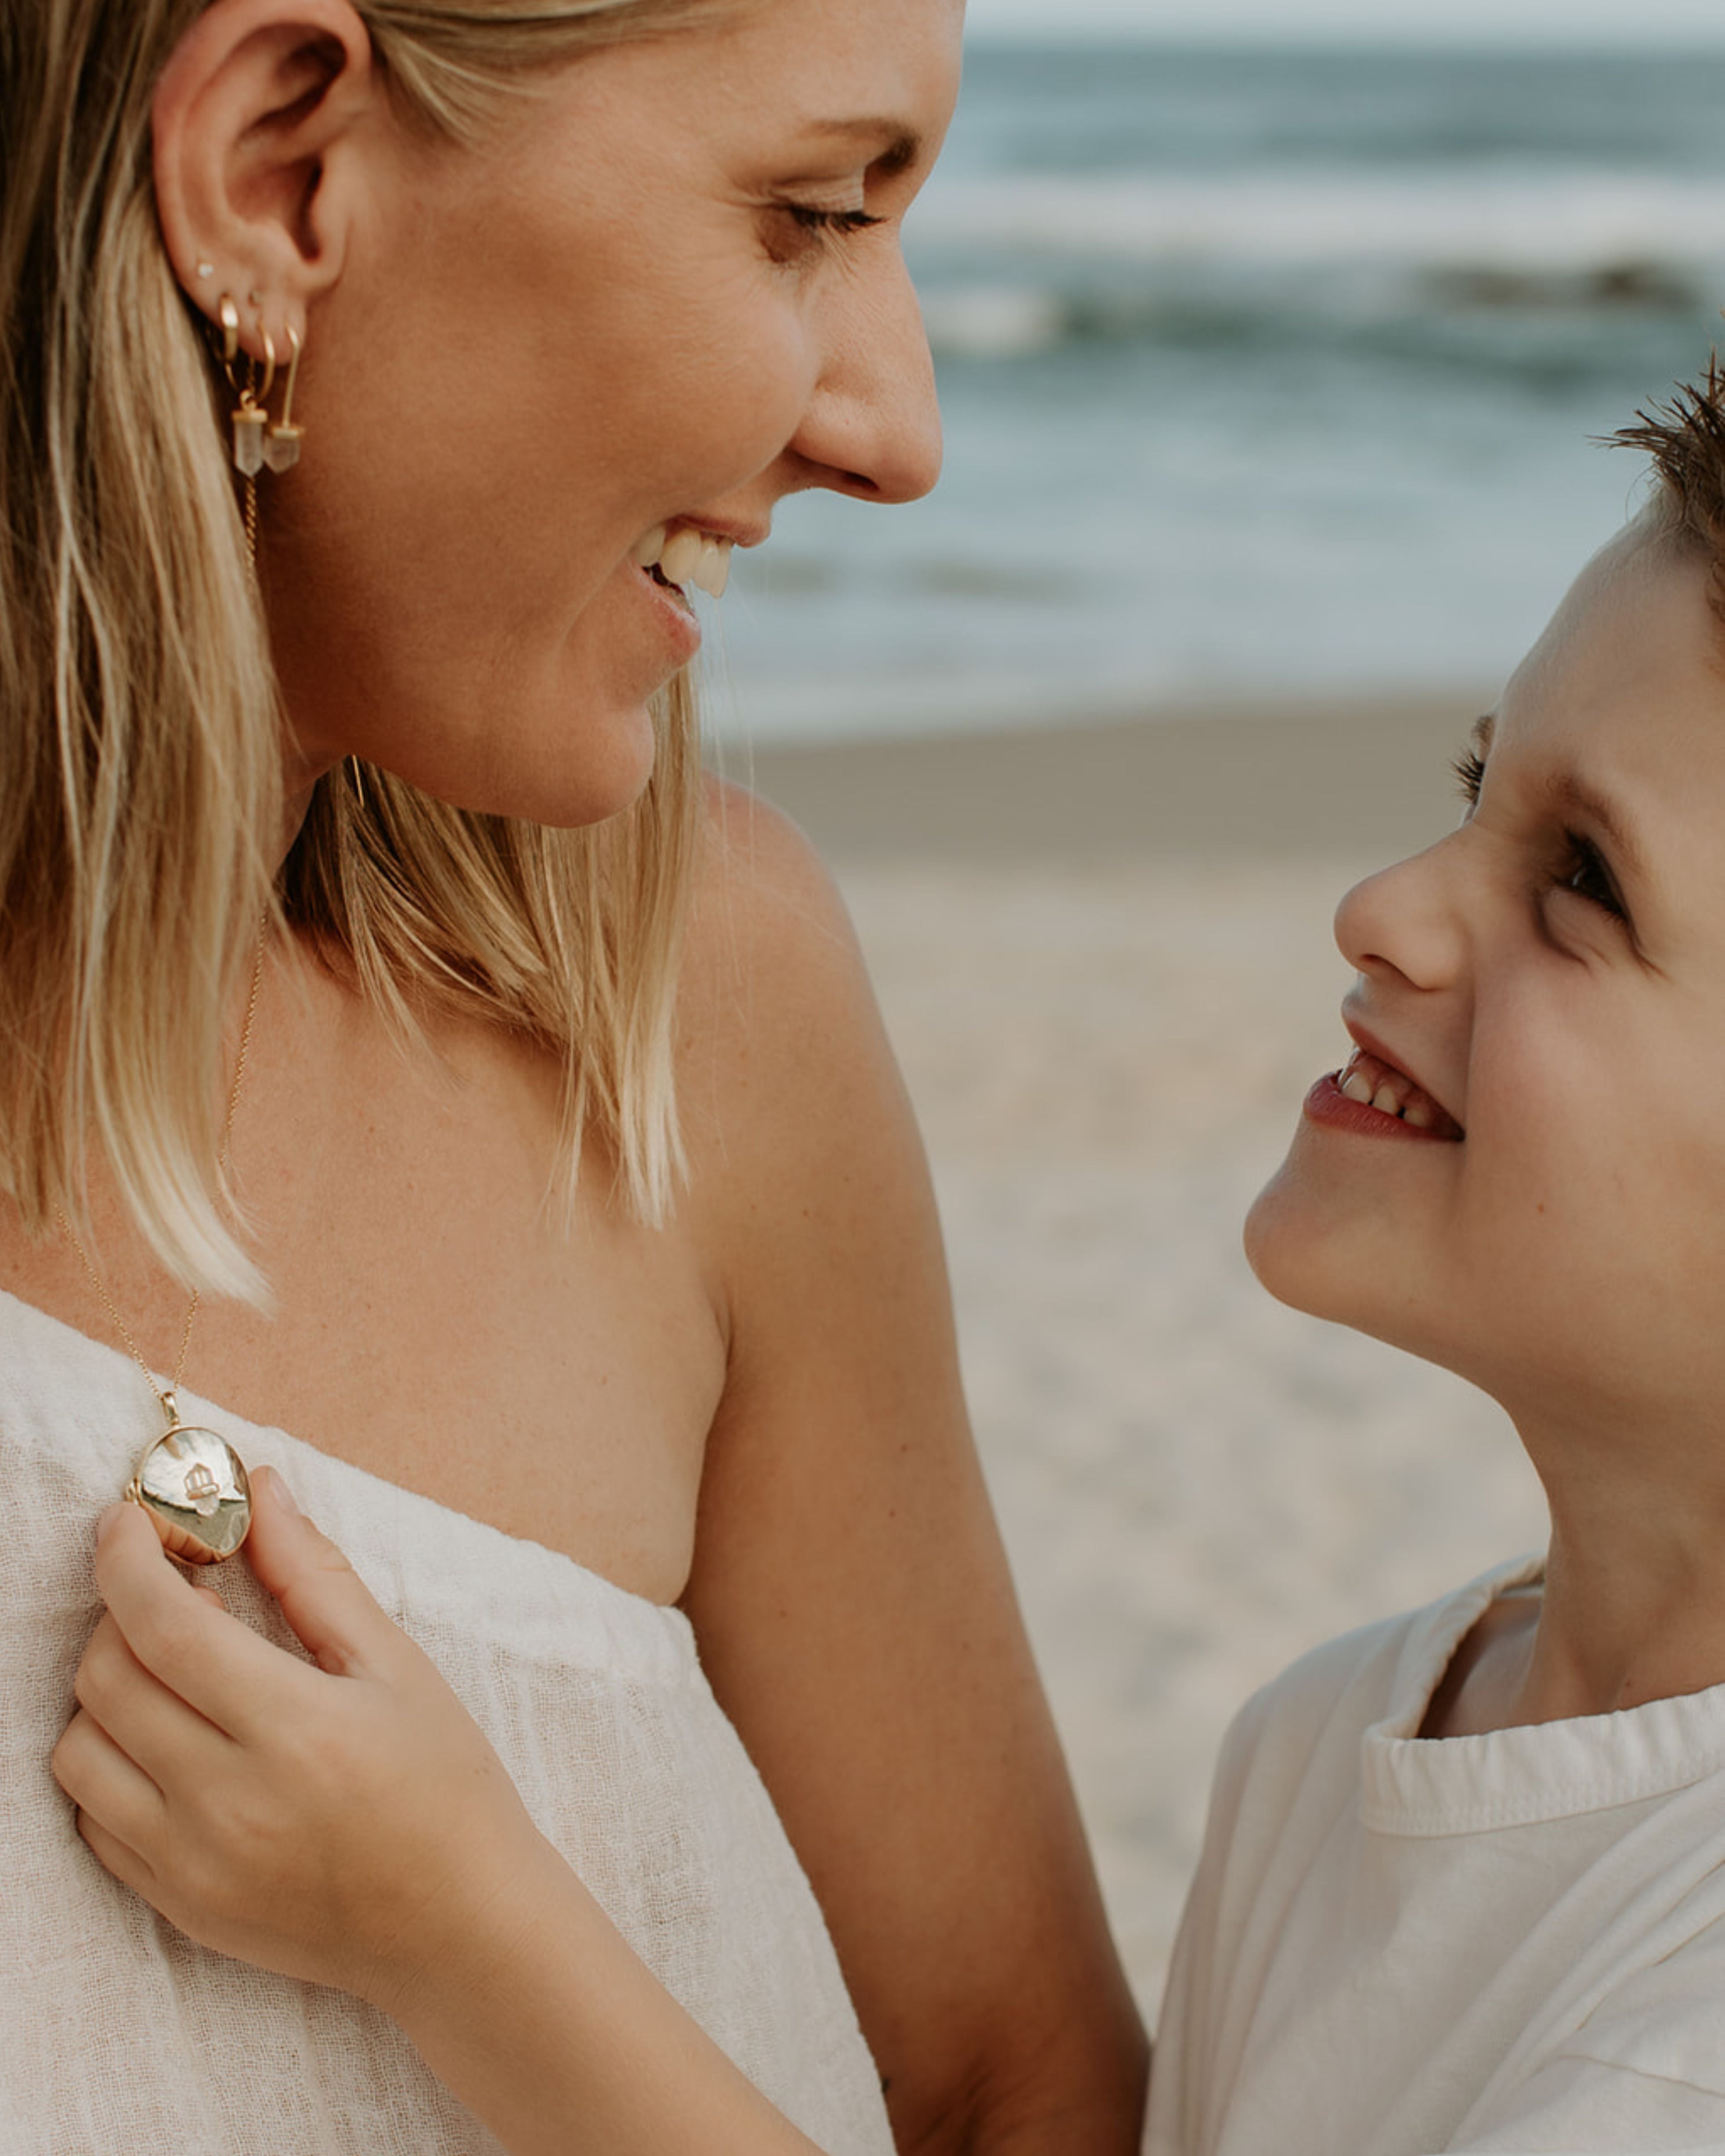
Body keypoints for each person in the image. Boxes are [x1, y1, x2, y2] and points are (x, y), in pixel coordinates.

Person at [6, 0, 1147, 2151]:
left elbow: (1016, 2090)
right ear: (279, 173)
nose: (894, 429)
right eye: (809, 214)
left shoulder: (692, 1028)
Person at [1147, 375, 1725, 2152]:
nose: (1383, 907)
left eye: (1580, 882)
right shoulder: (1320, 1743)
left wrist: (464, 1930)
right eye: (1477, 781)